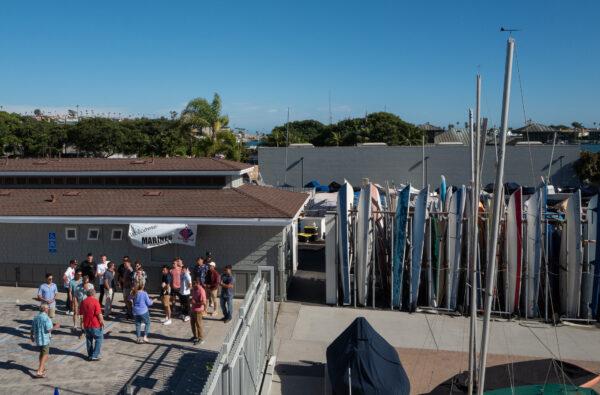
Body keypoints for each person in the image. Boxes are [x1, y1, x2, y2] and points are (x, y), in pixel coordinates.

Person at [30, 303, 57, 378]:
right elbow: (48, 329)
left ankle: (42, 367)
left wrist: (31, 336)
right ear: (45, 309)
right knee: (45, 354)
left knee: (41, 353)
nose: (48, 309)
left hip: (38, 338)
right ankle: (39, 371)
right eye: (47, 308)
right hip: (45, 339)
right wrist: (55, 327)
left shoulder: (36, 317)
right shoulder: (47, 318)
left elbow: (32, 328)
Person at [79, 288, 104, 361]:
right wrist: (102, 321)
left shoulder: (83, 302)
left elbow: (81, 314)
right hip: (95, 324)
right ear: (93, 294)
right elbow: (99, 313)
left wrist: (81, 325)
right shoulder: (95, 301)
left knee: (89, 339)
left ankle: (90, 355)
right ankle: (95, 355)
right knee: (99, 338)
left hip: (86, 324)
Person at [189, 279, 206, 345]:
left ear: (198, 283)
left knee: (198, 325)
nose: (192, 285)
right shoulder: (194, 289)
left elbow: (203, 302)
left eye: (194, 284)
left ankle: (201, 338)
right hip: (193, 309)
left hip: (198, 311)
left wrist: (195, 303)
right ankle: (195, 336)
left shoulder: (201, 291)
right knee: (192, 324)